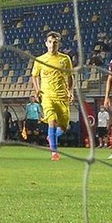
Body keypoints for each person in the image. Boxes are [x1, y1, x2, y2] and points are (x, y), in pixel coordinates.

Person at [30, 31, 73, 161]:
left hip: (62, 96)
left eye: (55, 42)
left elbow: (69, 77)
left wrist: (70, 91)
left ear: (59, 44)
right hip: (47, 95)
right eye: (50, 42)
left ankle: (51, 136)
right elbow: (34, 75)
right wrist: (37, 89)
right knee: (52, 121)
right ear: (46, 43)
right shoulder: (40, 60)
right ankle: (54, 152)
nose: (52, 45)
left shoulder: (65, 59)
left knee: (65, 127)